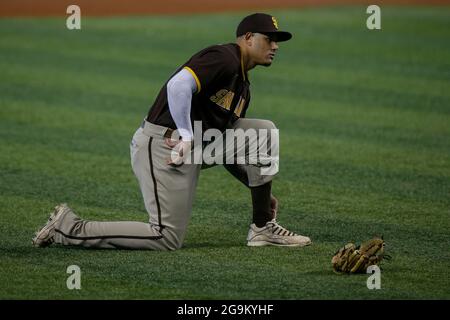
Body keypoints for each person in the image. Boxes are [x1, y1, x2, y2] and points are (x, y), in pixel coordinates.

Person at [32, 13, 312, 250]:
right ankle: (68, 227)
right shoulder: (225, 57)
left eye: (277, 41)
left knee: (262, 131)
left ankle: (262, 226)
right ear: (248, 37)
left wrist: (258, 191)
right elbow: (177, 86)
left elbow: (230, 149)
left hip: (193, 146)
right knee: (165, 237)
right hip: (161, 145)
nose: (275, 46)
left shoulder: (242, 88)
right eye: (269, 38)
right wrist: (187, 135)